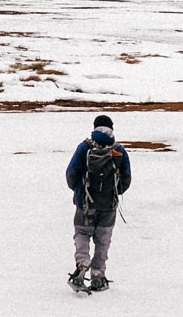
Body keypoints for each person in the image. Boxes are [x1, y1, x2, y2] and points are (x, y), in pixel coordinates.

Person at [65, 114, 132, 292]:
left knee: (82, 233)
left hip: (85, 203)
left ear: (94, 128)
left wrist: (79, 192)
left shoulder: (84, 147)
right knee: (103, 240)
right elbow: (126, 178)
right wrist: (114, 193)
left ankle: (82, 262)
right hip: (108, 205)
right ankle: (98, 276)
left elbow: (71, 173)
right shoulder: (119, 150)